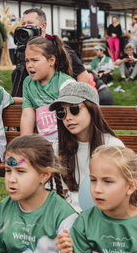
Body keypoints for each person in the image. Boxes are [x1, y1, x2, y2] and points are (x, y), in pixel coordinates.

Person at [0, 135, 78, 253]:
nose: (11, 179)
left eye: (20, 171)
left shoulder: (64, 216)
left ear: (44, 175)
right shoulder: (2, 209)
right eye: (8, 171)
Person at [49, 82, 124, 212]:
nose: (68, 117)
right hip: (68, 214)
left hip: (103, 213)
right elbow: (60, 193)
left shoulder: (112, 146)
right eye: (61, 112)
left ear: (92, 109)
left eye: (74, 109)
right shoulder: (58, 147)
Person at [13, 8, 89, 97]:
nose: (25, 27)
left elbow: (84, 76)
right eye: (23, 24)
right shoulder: (23, 49)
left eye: (30, 23)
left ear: (43, 25)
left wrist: (73, 100)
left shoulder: (58, 47)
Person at [20, 36, 74, 142]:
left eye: (35, 60)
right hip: (43, 144)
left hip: (66, 142)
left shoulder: (66, 83)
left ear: (51, 60)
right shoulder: (28, 82)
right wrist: (24, 145)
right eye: (27, 61)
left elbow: (74, 119)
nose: (29, 65)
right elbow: (27, 115)